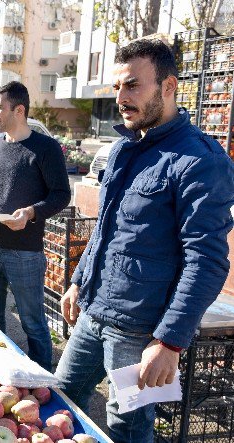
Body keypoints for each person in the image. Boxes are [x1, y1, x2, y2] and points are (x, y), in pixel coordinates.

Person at [55, 39, 234, 443]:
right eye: (117, 87)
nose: (121, 97)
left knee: (127, 428)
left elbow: (206, 261)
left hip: (139, 330)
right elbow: (107, 227)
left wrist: (170, 340)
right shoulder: (123, 148)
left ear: (168, 86)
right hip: (94, 311)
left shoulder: (200, 161)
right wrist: (79, 279)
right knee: (60, 402)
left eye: (133, 85)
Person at [0, 81, 70, 372]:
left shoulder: (45, 148)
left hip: (24, 253)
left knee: (33, 322)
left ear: (19, 110)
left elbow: (61, 195)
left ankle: (41, 381)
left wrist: (31, 212)